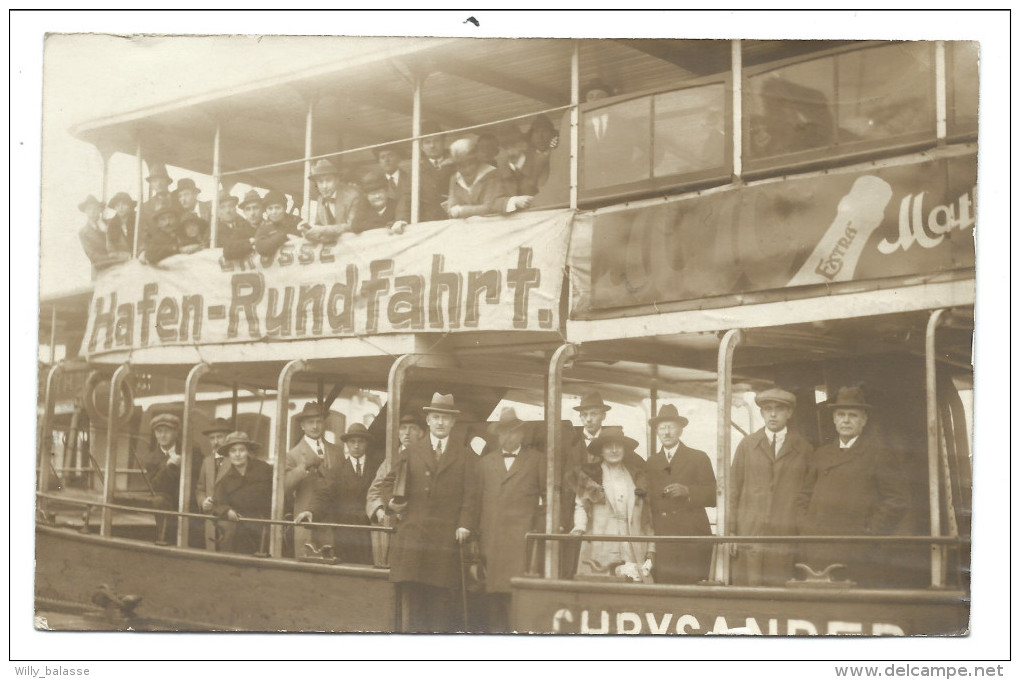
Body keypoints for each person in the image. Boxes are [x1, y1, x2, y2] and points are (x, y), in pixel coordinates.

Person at [376, 393, 480, 633]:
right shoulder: (411, 452)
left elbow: (471, 495)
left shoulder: (465, 456)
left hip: (446, 540)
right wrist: (391, 503)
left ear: (453, 422)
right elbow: (386, 485)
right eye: (436, 417)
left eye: (445, 418)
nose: (441, 422)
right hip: (414, 539)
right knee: (415, 603)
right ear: (429, 421)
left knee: (441, 602)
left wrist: (465, 524)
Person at [797, 387, 909, 587]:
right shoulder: (821, 454)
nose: (846, 420)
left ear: (864, 420)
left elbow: (898, 500)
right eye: (841, 415)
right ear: (833, 419)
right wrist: (808, 527)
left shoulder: (878, 454)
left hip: (857, 551)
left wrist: (870, 532)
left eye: (853, 415)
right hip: (818, 548)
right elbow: (804, 496)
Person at [730, 387, 815, 586]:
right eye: (768, 409)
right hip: (749, 534)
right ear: (761, 413)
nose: (773, 414)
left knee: (780, 592)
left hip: (784, 536)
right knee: (748, 593)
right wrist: (731, 532)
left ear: (789, 413)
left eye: (779, 409)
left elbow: (807, 495)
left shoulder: (804, 449)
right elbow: (733, 490)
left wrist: (801, 534)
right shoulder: (747, 445)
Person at [477, 407, 545, 632]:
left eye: (513, 432)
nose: (508, 437)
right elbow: (476, 503)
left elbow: (547, 501)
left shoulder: (536, 460)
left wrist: (536, 531)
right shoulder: (485, 463)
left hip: (522, 544)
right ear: (498, 435)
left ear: (522, 434)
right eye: (504, 432)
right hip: (492, 543)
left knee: (518, 599)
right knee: (493, 600)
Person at [644, 404, 717, 584]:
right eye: (662, 428)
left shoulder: (698, 457)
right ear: (657, 432)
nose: (666, 432)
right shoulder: (651, 462)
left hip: (692, 538)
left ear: (680, 431)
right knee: (666, 587)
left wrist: (689, 491)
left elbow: (714, 495)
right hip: (664, 537)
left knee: (693, 587)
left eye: (671, 427)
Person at [570, 431, 654, 583]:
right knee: (599, 594)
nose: (614, 450)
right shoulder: (590, 475)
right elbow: (581, 505)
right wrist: (579, 527)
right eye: (609, 447)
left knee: (634, 594)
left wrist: (651, 549)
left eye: (618, 446)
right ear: (601, 451)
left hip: (632, 546)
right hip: (600, 544)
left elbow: (647, 517)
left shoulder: (637, 476)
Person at [296, 423, 379, 564]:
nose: (356, 446)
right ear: (346, 444)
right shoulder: (337, 469)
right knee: (347, 569)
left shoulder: (377, 467)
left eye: (361, 441)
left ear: (367, 443)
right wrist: (311, 512)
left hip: (371, 529)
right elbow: (324, 494)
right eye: (352, 442)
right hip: (345, 530)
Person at [284, 402, 343, 556]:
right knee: (306, 561)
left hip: (331, 518)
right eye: (310, 422)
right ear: (302, 426)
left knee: (332, 562)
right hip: (306, 518)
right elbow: (284, 486)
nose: (315, 426)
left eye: (319, 422)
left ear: (324, 423)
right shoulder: (293, 454)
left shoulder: (336, 451)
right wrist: (303, 467)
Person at [138, 413, 202, 543]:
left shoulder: (191, 451)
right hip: (168, 508)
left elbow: (199, 478)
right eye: (158, 431)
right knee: (159, 501)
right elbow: (155, 487)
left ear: (176, 432)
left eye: (166, 431)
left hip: (192, 505)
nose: (162, 435)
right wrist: (167, 466)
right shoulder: (150, 459)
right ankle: (165, 540)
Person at [211, 432, 273, 555]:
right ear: (228, 454)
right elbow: (217, 503)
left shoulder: (265, 469)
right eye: (233, 451)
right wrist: (227, 511)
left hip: (266, 526)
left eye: (241, 450)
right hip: (241, 528)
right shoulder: (225, 480)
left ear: (248, 452)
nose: (237, 454)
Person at [445, 137, 521, 219]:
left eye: (470, 163)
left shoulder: (492, 173)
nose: (467, 169)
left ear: (477, 160)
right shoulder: (454, 178)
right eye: (461, 165)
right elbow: (451, 211)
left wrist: (460, 210)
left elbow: (489, 208)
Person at [306, 158, 371, 240]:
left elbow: (352, 226)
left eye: (328, 180)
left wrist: (323, 230)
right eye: (320, 182)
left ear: (337, 180)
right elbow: (319, 225)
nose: (324, 186)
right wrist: (308, 230)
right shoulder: (320, 199)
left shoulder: (352, 196)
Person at [194, 417, 233, 551]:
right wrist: (202, 501)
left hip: (230, 520)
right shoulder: (207, 461)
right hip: (210, 521)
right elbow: (200, 488)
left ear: (227, 438)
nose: (216, 442)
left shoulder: (235, 460)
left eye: (220, 437)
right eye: (212, 438)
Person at [78, 194, 128, 275]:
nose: (93, 211)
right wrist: (116, 256)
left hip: (120, 267)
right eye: (89, 209)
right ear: (85, 212)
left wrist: (124, 255)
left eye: (95, 208)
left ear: (100, 210)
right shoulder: (83, 233)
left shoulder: (110, 224)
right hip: (101, 270)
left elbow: (122, 242)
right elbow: (93, 256)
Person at [418, 121, 454, 222]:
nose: (432, 145)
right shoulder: (416, 171)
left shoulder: (456, 164)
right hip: (429, 221)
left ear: (443, 142)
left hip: (454, 218)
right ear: (422, 147)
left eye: (436, 141)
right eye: (427, 142)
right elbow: (408, 199)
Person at [495, 123, 541, 198]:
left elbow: (548, 194)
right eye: (505, 146)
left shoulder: (539, 165)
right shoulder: (499, 174)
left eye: (513, 144)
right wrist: (512, 202)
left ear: (524, 145)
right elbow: (496, 201)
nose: (509, 150)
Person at [253, 189, 303, 258]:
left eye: (278, 208)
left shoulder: (296, 221)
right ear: (266, 210)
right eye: (270, 209)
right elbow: (260, 247)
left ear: (285, 208)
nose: (274, 212)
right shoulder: (264, 227)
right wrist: (284, 236)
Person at [373, 144, 411, 232]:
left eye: (390, 155)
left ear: (398, 158)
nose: (387, 160)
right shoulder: (375, 183)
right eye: (382, 157)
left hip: (407, 225)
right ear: (379, 162)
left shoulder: (410, 178)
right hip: (384, 228)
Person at [214, 191, 256, 260]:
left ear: (235, 209)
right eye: (222, 207)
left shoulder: (245, 225)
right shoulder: (213, 231)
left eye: (230, 206)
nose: (228, 210)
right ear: (217, 211)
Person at [105, 192, 138, 257]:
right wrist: (126, 255)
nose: (120, 207)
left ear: (130, 206)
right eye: (117, 205)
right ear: (115, 208)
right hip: (121, 261)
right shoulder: (111, 226)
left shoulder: (138, 222)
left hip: (140, 259)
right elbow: (111, 250)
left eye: (124, 204)